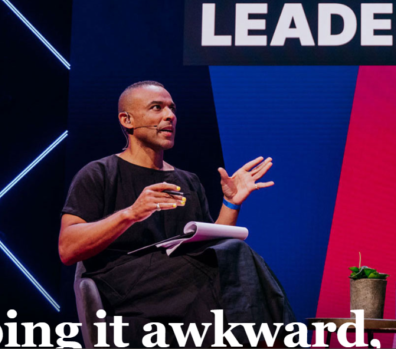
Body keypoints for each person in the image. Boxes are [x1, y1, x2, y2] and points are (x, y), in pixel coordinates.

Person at [59, 80, 295, 346]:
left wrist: (231, 203)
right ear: (127, 120)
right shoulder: (99, 174)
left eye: (172, 108)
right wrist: (131, 213)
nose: (170, 116)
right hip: (125, 291)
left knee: (232, 257)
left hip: (182, 286)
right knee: (235, 258)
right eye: (156, 108)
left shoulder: (187, 180)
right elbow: (68, 249)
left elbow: (212, 249)